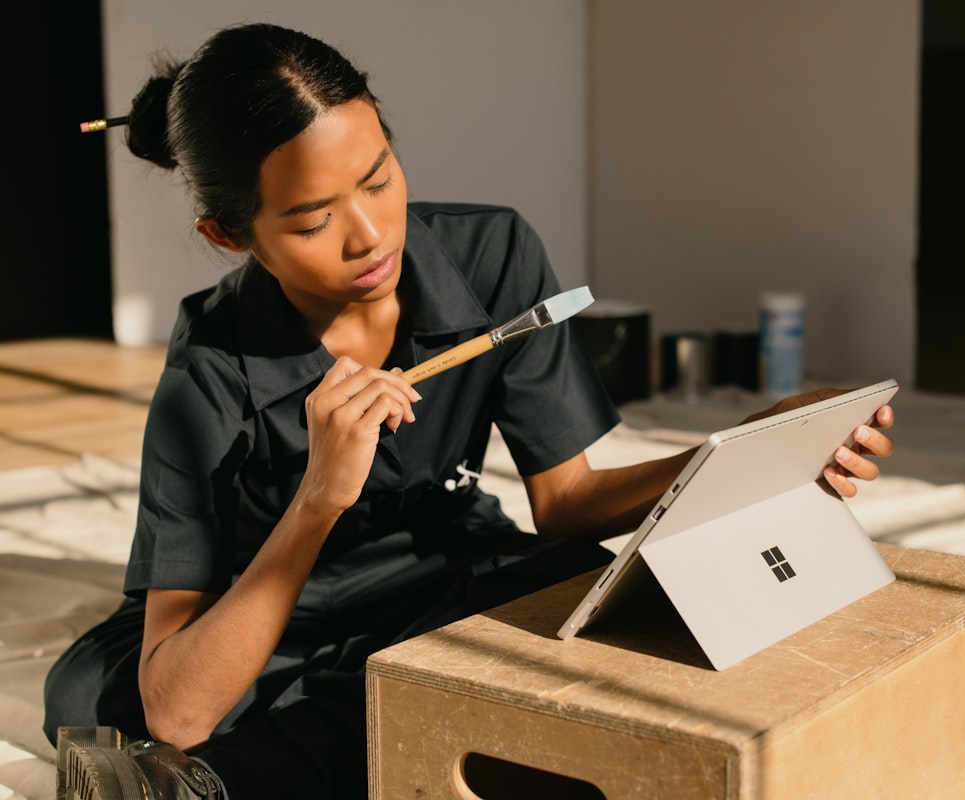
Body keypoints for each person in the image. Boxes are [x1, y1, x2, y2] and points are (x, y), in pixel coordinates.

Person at [43, 22, 895, 800]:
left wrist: (747, 447)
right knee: (144, 700)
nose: (370, 235)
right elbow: (182, 709)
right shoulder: (210, 366)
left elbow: (566, 503)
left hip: (449, 571)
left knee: (608, 618)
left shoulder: (493, 254)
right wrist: (319, 498)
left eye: (379, 180)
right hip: (265, 614)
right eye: (311, 221)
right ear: (233, 237)